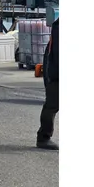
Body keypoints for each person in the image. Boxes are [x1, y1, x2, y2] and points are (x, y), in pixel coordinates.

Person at [36, 12, 59, 150]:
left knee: (52, 106)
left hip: (55, 71)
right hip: (57, 74)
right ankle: (43, 138)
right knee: (52, 106)